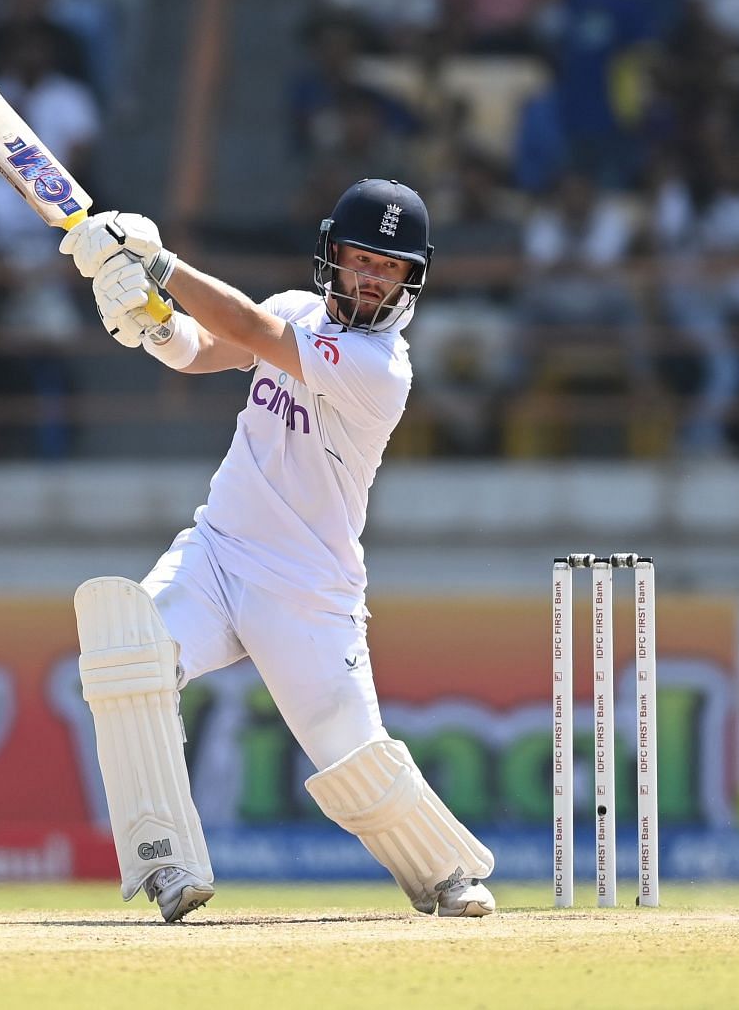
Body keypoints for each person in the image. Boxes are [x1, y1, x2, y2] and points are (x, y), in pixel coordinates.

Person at [54, 180, 495, 923]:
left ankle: (445, 872)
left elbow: (255, 333)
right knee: (127, 652)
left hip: (307, 591)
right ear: (332, 255)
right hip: (218, 554)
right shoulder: (296, 309)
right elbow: (205, 350)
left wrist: (160, 264)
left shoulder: (381, 370)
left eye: (389, 268)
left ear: (412, 279)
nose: (370, 280)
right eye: (360, 260)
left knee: (352, 759)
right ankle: (168, 867)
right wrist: (152, 322)